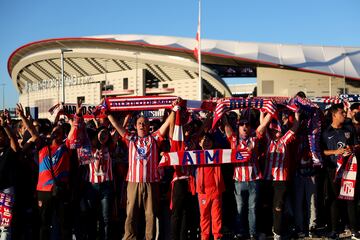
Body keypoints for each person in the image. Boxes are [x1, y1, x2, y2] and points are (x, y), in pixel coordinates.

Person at [107, 105, 175, 240]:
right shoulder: (130, 138)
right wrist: (107, 113)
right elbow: (116, 126)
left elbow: (166, 124)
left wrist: (174, 110)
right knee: (131, 213)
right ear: (135, 126)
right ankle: (129, 237)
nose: (142, 125)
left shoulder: (154, 138)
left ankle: (150, 238)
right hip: (133, 182)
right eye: (139, 123)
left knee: (150, 214)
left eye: (144, 123)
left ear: (149, 126)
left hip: (151, 182)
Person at [223, 111, 272, 240]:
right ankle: (240, 232)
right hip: (239, 181)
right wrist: (221, 111)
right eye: (242, 125)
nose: (244, 127)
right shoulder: (233, 139)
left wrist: (269, 111)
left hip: (254, 179)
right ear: (238, 127)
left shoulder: (254, 137)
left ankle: (252, 233)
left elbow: (265, 124)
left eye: (247, 124)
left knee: (253, 208)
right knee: (240, 208)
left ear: (250, 127)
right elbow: (226, 124)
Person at [321, 104, 360, 239]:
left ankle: (355, 230)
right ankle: (334, 230)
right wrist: (335, 152)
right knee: (334, 200)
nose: (344, 115)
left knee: (350, 199)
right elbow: (322, 152)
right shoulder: (326, 132)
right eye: (341, 113)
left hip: (349, 170)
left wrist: (351, 149)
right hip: (333, 170)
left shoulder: (349, 129)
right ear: (334, 115)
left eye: (344, 113)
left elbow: (356, 144)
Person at [262, 111, 299, 239]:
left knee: (278, 206)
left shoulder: (284, 141)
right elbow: (262, 126)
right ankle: (266, 231)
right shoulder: (268, 140)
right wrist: (263, 112)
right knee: (266, 205)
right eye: (273, 131)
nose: (275, 133)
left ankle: (277, 232)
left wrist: (297, 115)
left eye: (277, 130)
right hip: (267, 179)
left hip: (281, 180)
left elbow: (294, 128)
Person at [196, 132, 225, 240]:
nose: (206, 142)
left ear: (213, 143)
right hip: (203, 192)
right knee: (204, 216)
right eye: (204, 140)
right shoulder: (195, 155)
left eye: (209, 140)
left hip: (216, 190)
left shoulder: (218, 154)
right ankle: (205, 237)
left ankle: (217, 236)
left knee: (217, 215)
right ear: (199, 143)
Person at [0, 112, 18, 240]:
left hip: (6, 191)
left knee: (5, 226)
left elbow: (14, 141)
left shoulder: (9, 151)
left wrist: (6, 126)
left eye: (1, 136)